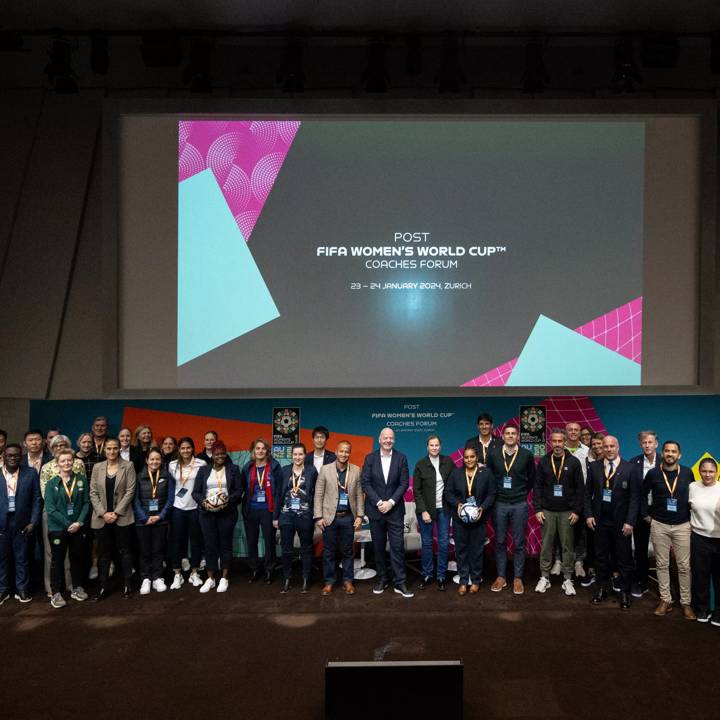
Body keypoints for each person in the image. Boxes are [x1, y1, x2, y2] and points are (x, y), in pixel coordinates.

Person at [642, 440, 695, 619]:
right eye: (667, 451)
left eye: (673, 451)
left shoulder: (688, 473)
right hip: (660, 525)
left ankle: (686, 603)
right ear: (662, 453)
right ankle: (666, 600)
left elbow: (693, 498)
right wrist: (646, 516)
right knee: (661, 565)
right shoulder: (653, 473)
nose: (670, 454)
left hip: (682, 525)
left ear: (679, 455)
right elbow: (642, 495)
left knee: (684, 566)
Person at [585, 436, 639, 610]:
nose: (608, 449)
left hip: (622, 523)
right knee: (600, 558)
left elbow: (634, 498)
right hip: (600, 521)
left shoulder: (630, 468)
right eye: (606, 446)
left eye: (612, 446)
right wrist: (588, 515)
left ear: (618, 447)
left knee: (623, 559)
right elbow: (587, 495)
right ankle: (601, 588)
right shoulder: (594, 467)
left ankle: (624, 592)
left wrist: (630, 521)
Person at [361, 427, 413, 598]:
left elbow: (404, 483)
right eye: (385, 437)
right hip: (376, 511)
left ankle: (400, 582)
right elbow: (366, 483)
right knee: (378, 547)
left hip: (395, 510)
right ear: (379, 439)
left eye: (391, 438)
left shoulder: (401, 458)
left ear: (394, 440)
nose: (388, 440)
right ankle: (382, 579)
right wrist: (378, 502)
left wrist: (390, 502)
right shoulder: (370, 458)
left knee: (397, 547)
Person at [533, 429, 583, 596]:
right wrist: (538, 509)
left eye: (560, 441)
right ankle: (544, 577)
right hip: (547, 511)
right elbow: (537, 487)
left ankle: (568, 578)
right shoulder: (544, 461)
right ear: (550, 442)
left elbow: (579, 489)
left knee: (568, 546)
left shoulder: (574, 462)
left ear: (564, 442)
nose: (557, 444)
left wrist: (576, 510)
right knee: (546, 545)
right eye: (554, 441)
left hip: (567, 512)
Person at [487, 424, 535, 595]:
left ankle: (518, 578)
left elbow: (531, 479)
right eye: (507, 433)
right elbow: (489, 477)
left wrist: (520, 492)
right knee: (500, 542)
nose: (510, 436)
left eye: (513, 433)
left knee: (519, 543)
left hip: (519, 504)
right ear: (503, 436)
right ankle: (501, 577)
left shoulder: (526, 455)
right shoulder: (493, 454)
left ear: (518, 437)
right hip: (499, 503)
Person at [39, 435, 87, 595]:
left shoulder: (80, 478)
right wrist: (68, 524)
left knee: (76, 558)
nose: (67, 463)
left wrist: (79, 522)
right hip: (58, 525)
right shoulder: (51, 481)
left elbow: (86, 502)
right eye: (63, 461)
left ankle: (75, 588)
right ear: (57, 463)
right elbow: (50, 508)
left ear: (73, 461)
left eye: (69, 461)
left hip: (77, 524)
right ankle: (55, 592)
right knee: (56, 559)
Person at [89, 437, 136, 600]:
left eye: (115, 448)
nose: (112, 451)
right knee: (104, 554)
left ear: (119, 449)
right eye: (109, 448)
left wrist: (116, 512)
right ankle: (103, 587)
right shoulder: (97, 467)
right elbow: (93, 492)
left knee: (125, 552)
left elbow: (130, 491)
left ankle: (127, 585)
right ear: (104, 450)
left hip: (122, 517)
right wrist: (104, 513)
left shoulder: (128, 466)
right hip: (102, 518)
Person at [314, 440, 364, 595]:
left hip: (348, 517)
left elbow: (359, 495)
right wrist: (318, 516)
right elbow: (318, 494)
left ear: (349, 453)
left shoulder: (356, 470)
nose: (344, 454)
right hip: (329, 518)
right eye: (341, 451)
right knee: (328, 551)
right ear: (336, 452)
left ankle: (348, 581)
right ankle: (329, 582)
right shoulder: (325, 470)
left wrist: (360, 516)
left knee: (348, 551)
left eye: (347, 451)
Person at [444, 446, 495, 595]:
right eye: (466, 457)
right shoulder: (456, 473)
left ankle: (476, 580)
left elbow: (492, 493)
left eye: (472, 457)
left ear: (476, 457)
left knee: (477, 551)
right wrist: (458, 505)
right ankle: (463, 580)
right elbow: (448, 493)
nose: (469, 460)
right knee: (461, 550)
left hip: (479, 519)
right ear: (463, 459)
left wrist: (482, 508)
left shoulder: (486, 473)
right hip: (460, 519)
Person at [193, 441, 243, 593]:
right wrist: (204, 503)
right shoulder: (203, 470)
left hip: (226, 513)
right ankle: (210, 578)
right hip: (206, 513)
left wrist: (226, 501)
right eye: (217, 454)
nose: (220, 456)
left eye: (222, 453)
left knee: (225, 544)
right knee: (210, 545)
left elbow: (239, 490)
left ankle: (224, 578)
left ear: (226, 454)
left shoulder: (233, 469)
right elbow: (195, 492)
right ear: (212, 455)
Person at [412, 434, 455, 591]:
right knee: (428, 543)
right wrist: (423, 510)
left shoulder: (448, 462)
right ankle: (427, 574)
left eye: (437, 445)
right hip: (426, 510)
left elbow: (458, 478)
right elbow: (416, 491)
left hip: (443, 508)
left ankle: (441, 575)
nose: (434, 448)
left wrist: (477, 467)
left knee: (443, 543)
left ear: (440, 446)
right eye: (432, 445)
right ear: (427, 447)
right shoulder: (420, 464)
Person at [0, 444, 41, 604]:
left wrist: (33, 521)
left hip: (23, 523)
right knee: (1, 559)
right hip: (1, 523)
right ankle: (3, 590)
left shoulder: (30, 473)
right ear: (3, 456)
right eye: (9, 455)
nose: (13, 458)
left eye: (16, 455)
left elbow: (37, 499)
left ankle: (21, 589)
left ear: (21, 456)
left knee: (22, 558)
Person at [275, 443, 317, 593]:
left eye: (300, 454)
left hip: (305, 515)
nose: (297, 457)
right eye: (295, 454)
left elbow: (315, 494)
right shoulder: (284, 470)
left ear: (305, 455)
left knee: (306, 548)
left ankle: (306, 579)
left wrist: (316, 514)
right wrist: (275, 517)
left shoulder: (311, 471)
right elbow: (278, 493)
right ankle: (287, 579)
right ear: (291, 455)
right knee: (286, 549)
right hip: (286, 515)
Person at [241, 439, 283, 584]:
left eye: (263, 448)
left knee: (269, 540)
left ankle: (269, 570)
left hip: (268, 510)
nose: (260, 451)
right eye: (257, 448)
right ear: (253, 451)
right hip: (251, 509)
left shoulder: (275, 467)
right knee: (251, 540)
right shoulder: (247, 467)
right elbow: (243, 489)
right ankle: (254, 569)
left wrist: (277, 513)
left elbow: (278, 492)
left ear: (267, 451)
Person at [133, 448, 174, 594]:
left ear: (161, 461)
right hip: (142, 521)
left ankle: (157, 577)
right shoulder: (138, 476)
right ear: (146, 460)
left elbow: (170, 499)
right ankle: (145, 578)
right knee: (144, 551)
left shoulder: (167, 476)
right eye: (152, 459)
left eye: (157, 459)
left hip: (160, 521)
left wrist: (160, 516)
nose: (154, 462)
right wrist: (145, 517)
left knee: (158, 550)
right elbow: (135, 500)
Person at [168, 437, 206, 590]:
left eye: (188, 448)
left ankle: (194, 572)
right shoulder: (172, 465)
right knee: (177, 541)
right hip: (177, 508)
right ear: (179, 450)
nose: (185, 451)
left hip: (194, 508)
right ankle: (177, 574)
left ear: (193, 448)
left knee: (196, 541)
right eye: (182, 448)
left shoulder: (201, 464)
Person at [689, 458, 720, 624]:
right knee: (700, 577)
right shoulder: (693, 487)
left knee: (719, 578)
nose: (707, 474)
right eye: (704, 471)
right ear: (699, 471)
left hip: (719, 539)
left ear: (716, 472)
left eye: (711, 471)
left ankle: (719, 613)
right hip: (699, 538)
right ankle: (702, 610)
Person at [628, 430, 659, 598]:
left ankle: (665, 586)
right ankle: (642, 582)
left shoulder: (665, 461)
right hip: (641, 512)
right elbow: (634, 493)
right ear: (641, 445)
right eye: (644, 443)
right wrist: (644, 513)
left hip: (661, 513)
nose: (647, 445)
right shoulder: (634, 462)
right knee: (640, 550)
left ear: (656, 444)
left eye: (650, 442)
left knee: (661, 551)